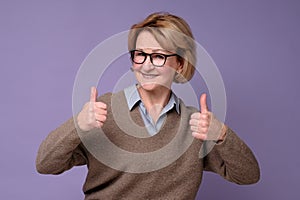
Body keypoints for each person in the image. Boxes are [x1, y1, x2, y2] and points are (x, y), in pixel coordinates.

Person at [36, 12, 260, 199]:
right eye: (140, 55)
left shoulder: (197, 125)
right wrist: (79, 125)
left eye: (158, 56)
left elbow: (248, 175)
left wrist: (221, 134)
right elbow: (45, 165)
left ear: (180, 64)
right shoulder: (103, 110)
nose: (147, 66)